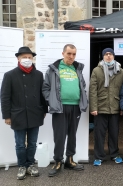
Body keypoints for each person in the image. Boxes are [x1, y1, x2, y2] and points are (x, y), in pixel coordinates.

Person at [1, 47, 48, 180]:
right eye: (24, 57)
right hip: (18, 114)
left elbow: (42, 94)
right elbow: (5, 97)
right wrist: (6, 115)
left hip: (35, 113)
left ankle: (31, 164)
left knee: (32, 143)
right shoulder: (10, 75)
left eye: (29, 57)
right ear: (18, 58)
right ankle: (22, 166)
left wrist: (44, 109)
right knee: (20, 144)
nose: (27, 59)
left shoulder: (38, 74)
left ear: (32, 58)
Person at [43, 44, 88, 177]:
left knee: (72, 134)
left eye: (74, 54)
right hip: (60, 107)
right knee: (60, 136)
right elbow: (45, 88)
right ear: (63, 53)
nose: (71, 56)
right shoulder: (53, 69)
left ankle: (69, 159)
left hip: (75, 107)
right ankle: (58, 161)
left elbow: (82, 86)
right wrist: (51, 101)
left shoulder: (77, 69)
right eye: (69, 53)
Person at [89, 48, 123, 166]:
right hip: (100, 107)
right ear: (103, 56)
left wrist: (122, 107)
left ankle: (114, 154)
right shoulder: (96, 71)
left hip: (115, 106)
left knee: (114, 133)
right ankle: (99, 156)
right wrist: (93, 107)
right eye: (106, 54)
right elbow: (92, 90)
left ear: (114, 56)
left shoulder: (121, 71)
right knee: (99, 134)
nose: (108, 56)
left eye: (110, 54)